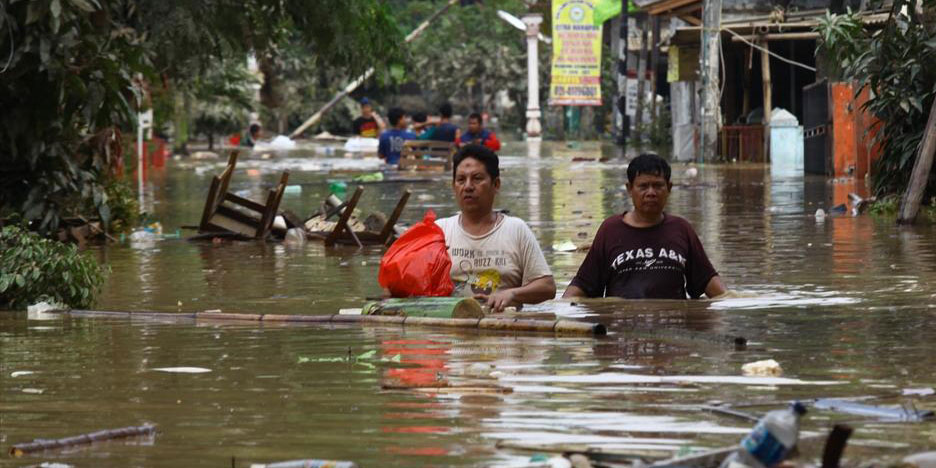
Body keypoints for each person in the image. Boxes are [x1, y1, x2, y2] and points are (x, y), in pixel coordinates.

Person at [563, 153, 727, 300]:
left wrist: (733, 305)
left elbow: (710, 284)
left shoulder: (681, 230)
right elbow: (582, 286)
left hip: (673, 329)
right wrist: (559, 308)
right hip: (623, 328)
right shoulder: (610, 230)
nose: (651, 193)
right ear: (629, 189)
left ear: (669, 188)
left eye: (657, 186)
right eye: (643, 186)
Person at [436, 144, 556, 311]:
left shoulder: (516, 229)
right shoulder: (439, 231)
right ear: (453, 186)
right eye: (461, 180)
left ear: (496, 184)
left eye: (477, 178)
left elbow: (547, 287)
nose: (468, 186)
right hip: (453, 329)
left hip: (503, 327)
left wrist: (512, 294)